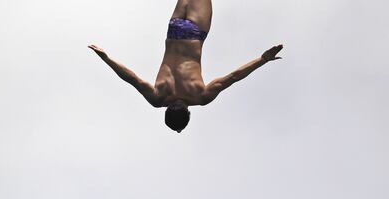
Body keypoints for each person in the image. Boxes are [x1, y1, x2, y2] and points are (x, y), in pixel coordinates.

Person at [89, 0, 283, 133]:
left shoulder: (200, 96)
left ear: (188, 112)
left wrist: (262, 60)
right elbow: (131, 78)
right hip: (174, 30)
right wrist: (106, 58)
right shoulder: (158, 98)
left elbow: (233, 77)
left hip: (195, 32)